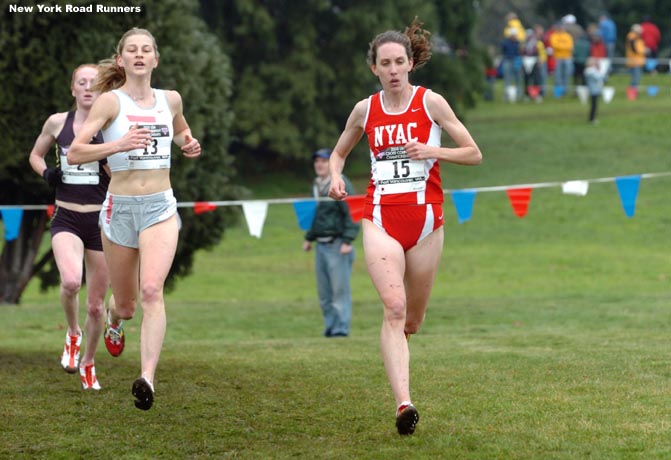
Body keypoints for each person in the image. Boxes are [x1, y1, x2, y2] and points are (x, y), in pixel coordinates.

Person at [327, 18, 482, 435]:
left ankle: (401, 349)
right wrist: (336, 177)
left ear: (411, 64)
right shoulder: (366, 110)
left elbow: (473, 153)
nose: (393, 69)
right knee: (393, 308)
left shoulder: (432, 104)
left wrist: (433, 150)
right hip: (380, 220)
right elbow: (339, 152)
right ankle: (404, 404)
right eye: (385, 63)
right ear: (374, 68)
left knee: (412, 320)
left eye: (399, 61)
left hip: (427, 223)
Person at [68, 28, 201, 410]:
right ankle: (114, 319)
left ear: (156, 59)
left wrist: (187, 142)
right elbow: (75, 153)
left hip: (160, 206)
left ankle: (146, 378)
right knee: (126, 304)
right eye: (132, 50)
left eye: (146, 50)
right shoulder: (110, 103)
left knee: (151, 291)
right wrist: (119, 145)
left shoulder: (170, 99)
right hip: (120, 209)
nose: (139, 55)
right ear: (122, 58)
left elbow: (180, 128)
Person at [28, 64, 112, 391]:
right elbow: (36, 155)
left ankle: (89, 363)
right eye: (82, 82)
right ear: (73, 89)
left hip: (101, 221)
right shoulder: (57, 122)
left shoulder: (111, 127)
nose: (88, 87)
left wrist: (110, 166)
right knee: (71, 281)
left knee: (96, 304)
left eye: (94, 83)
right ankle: (73, 332)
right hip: (66, 217)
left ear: (102, 91)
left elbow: (123, 171)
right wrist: (47, 173)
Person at [303, 148, 360, 338]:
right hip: (320, 245)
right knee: (325, 293)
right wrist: (309, 238)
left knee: (339, 291)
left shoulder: (341, 183)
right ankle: (330, 328)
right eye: (316, 161)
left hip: (338, 244)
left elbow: (352, 213)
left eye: (324, 161)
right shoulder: (317, 185)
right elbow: (317, 215)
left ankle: (341, 329)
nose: (319, 164)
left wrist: (347, 240)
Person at [584, 57, 606, 124]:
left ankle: (592, 118)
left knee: (594, 105)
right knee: (594, 106)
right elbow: (599, 77)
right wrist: (600, 71)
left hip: (594, 89)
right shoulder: (590, 71)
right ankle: (592, 119)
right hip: (593, 90)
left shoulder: (591, 71)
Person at [625, 24, 646, 91]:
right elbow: (632, 45)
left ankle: (633, 93)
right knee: (635, 79)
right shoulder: (632, 36)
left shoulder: (637, 37)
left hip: (638, 61)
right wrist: (639, 51)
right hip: (634, 61)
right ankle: (632, 93)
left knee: (636, 78)